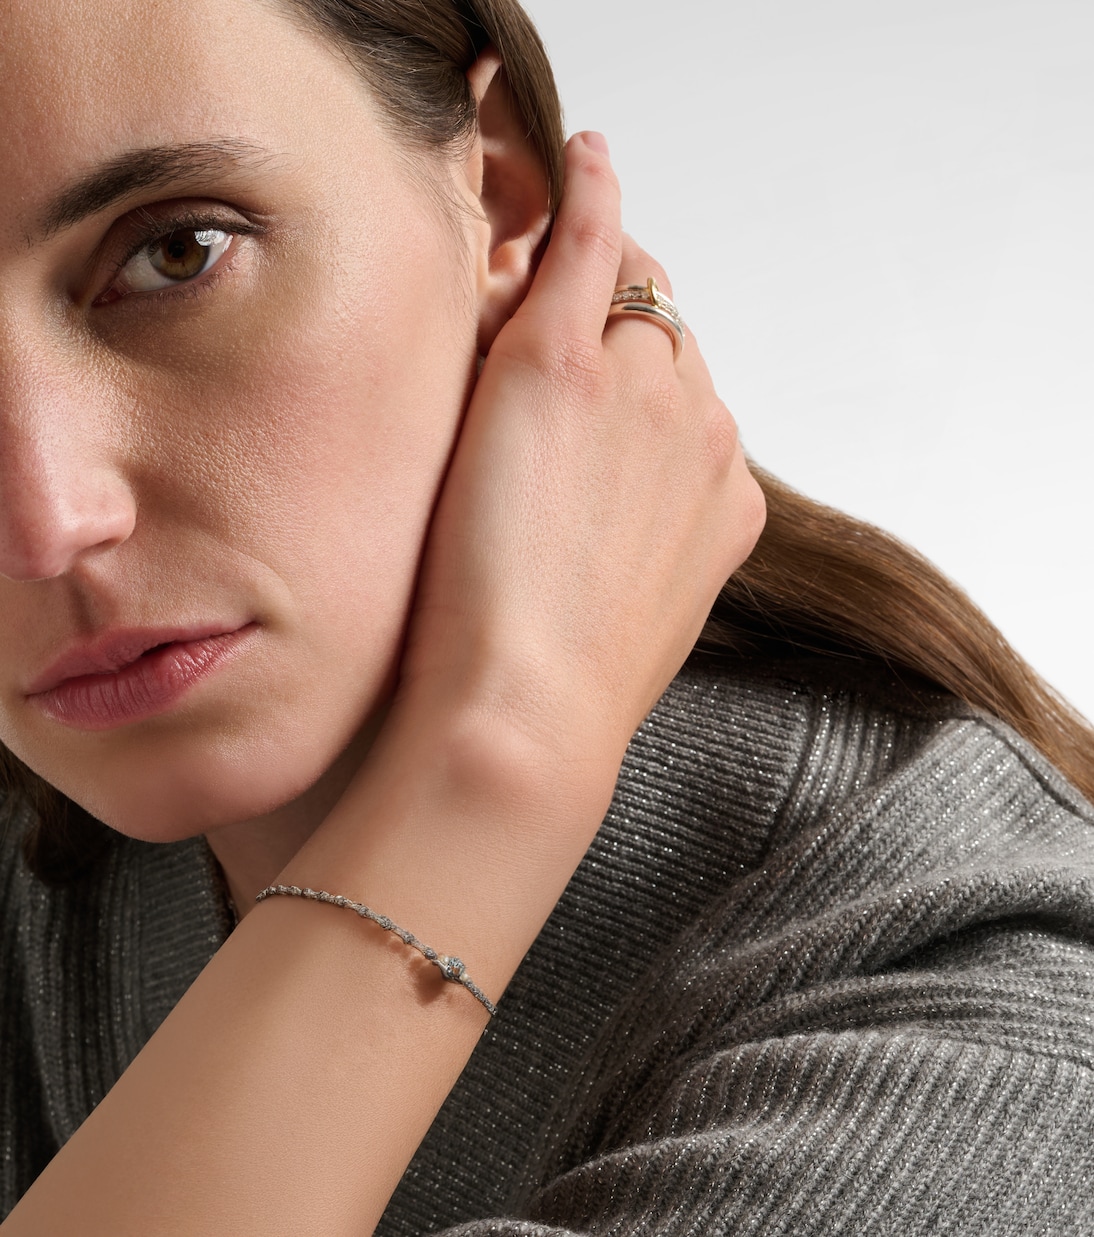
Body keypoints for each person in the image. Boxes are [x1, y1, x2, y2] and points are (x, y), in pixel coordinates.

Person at [1, 1, 1092, 1233]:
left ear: (498, 193)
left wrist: (496, 763)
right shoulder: (48, 878)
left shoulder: (970, 1034)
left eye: (181, 250)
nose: (45, 524)